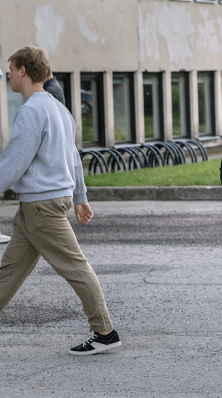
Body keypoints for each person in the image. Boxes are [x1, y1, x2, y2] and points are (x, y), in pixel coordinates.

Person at [0, 46, 120, 355]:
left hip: (42, 205)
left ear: (23, 71)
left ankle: (105, 332)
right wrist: (80, 197)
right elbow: (74, 159)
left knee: (75, 267)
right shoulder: (58, 108)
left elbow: (14, 161)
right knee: (9, 271)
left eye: (10, 68)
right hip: (40, 205)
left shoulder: (31, 110)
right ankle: (104, 330)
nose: (8, 74)